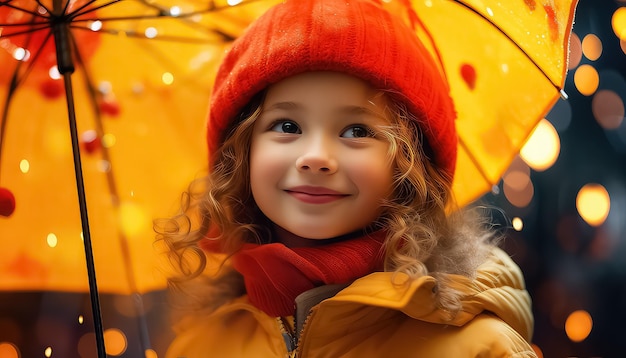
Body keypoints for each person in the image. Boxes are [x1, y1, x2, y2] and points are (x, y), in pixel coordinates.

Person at [156, 0, 536, 356]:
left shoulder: (479, 347)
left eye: (356, 131)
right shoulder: (201, 346)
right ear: (240, 155)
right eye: (287, 125)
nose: (316, 157)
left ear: (409, 165)